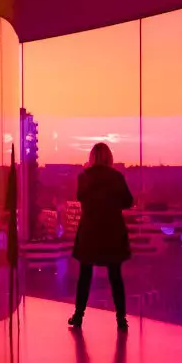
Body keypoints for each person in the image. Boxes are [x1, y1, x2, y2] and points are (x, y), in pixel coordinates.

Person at [69, 142, 133, 331]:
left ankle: (78, 316)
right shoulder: (117, 177)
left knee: (85, 276)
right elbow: (128, 201)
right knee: (115, 277)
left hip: (90, 231)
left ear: (91, 157)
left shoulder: (84, 177)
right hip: (112, 231)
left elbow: (80, 197)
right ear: (109, 157)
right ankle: (121, 319)